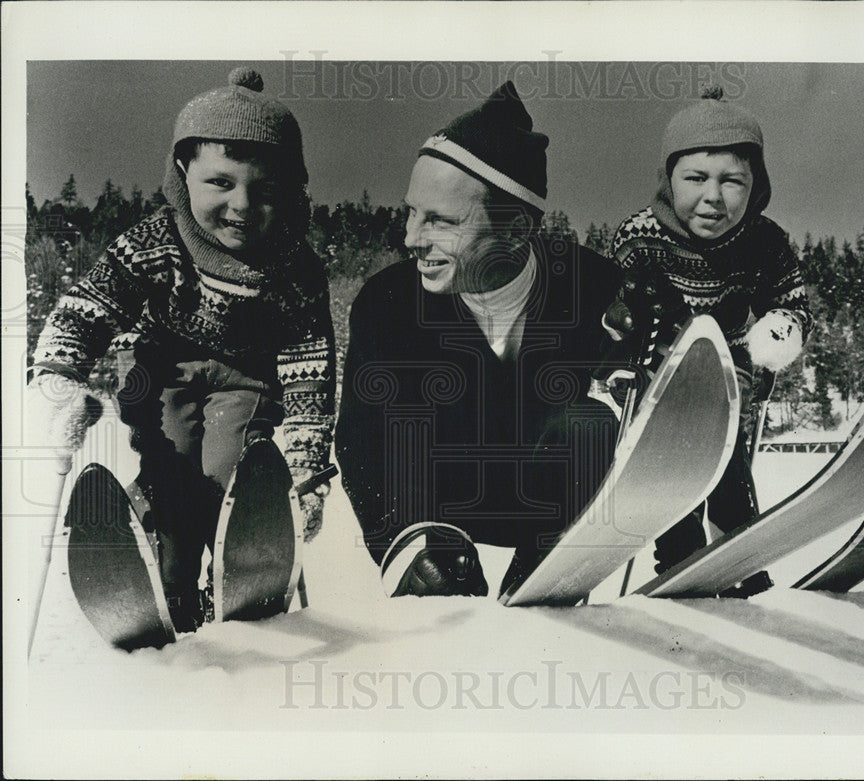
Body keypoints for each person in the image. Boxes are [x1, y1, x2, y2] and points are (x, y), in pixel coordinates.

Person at [27, 68, 336, 630]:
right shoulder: (156, 240)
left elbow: (310, 365)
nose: (242, 204)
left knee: (227, 473)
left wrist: (305, 462)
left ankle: (239, 569)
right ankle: (164, 577)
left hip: (247, 376)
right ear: (182, 175)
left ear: (290, 190)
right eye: (220, 183)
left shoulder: (294, 266)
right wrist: (59, 377)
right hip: (159, 365)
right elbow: (88, 304)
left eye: (264, 189)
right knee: (173, 476)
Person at [335, 82, 620, 597]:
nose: (411, 238)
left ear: (515, 230)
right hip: (439, 513)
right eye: (411, 212)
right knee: (401, 425)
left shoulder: (595, 287)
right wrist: (404, 545)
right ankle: (445, 580)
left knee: (590, 423)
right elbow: (361, 443)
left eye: (440, 221)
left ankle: (539, 589)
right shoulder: (387, 304)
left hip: (546, 509)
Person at [604, 86, 812, 575]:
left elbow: (793, 301)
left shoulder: (764, 242)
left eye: (732, 181)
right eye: (695, 177)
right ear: (669, 179)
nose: (712, 196)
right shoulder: (641, 237)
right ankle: (679, 560)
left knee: (727, 468)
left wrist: (780, 329)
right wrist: (621, 327)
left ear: (755, 185)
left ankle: (739, 553)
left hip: (730, 384)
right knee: (675, 475)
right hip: (662, 387)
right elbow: (615, 304)